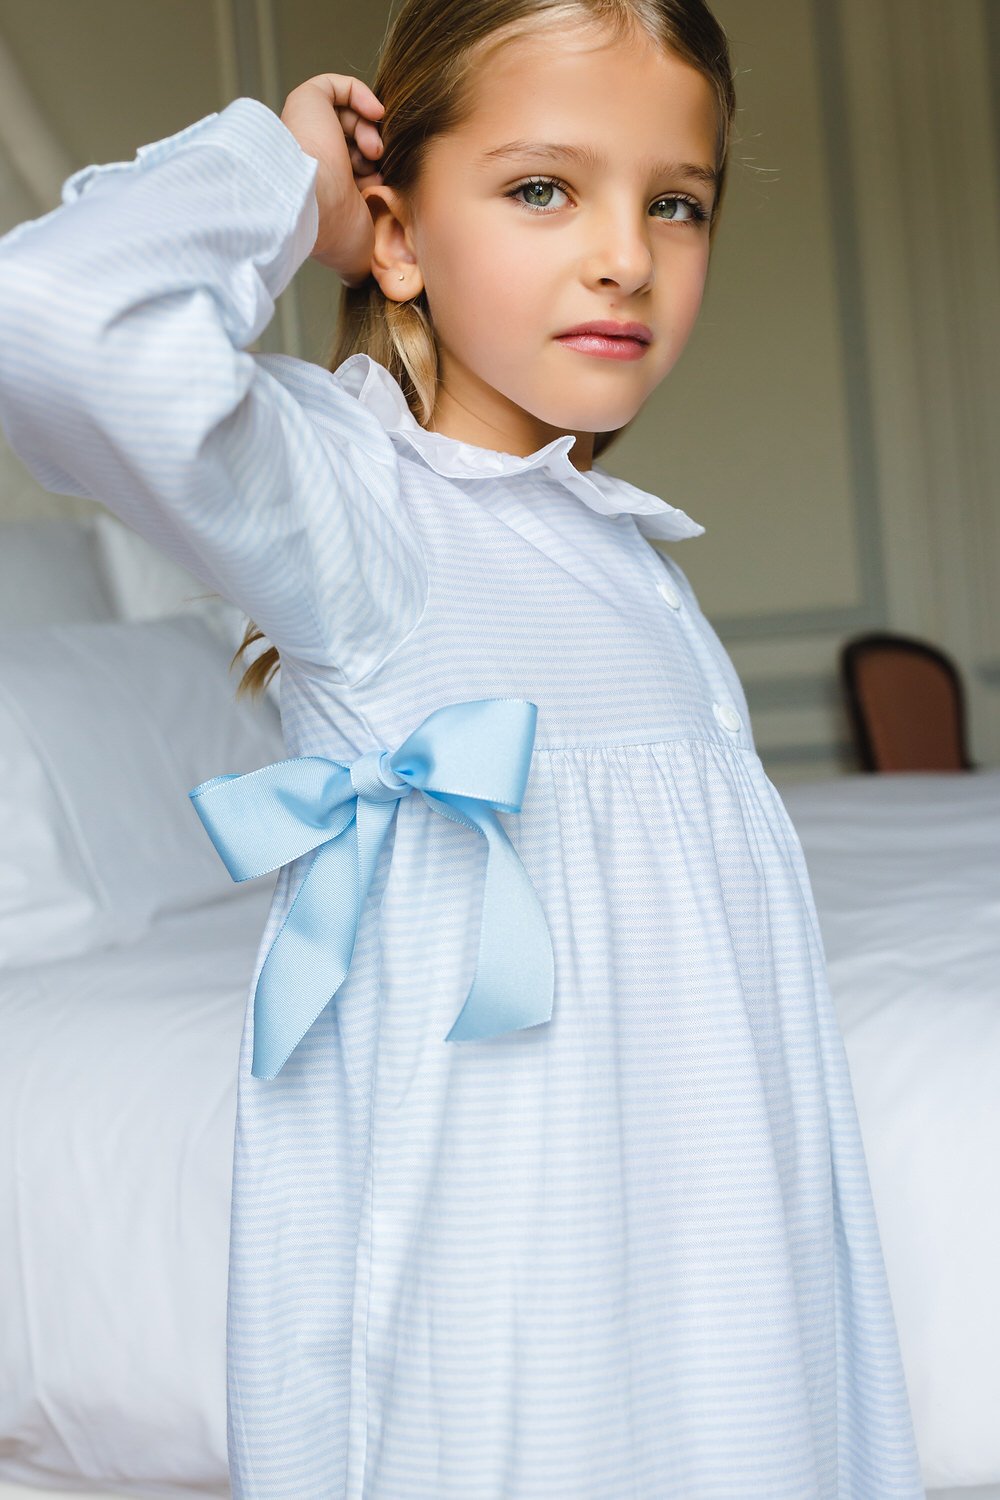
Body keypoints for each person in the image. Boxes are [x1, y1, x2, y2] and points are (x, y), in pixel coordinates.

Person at [0, 0, 927, 1495]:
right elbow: (51, 321)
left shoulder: (628, 559)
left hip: (688, 1221)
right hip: (496, 1221)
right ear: (400, 235)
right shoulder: (358, 499)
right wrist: (278, 183)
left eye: (674, 202)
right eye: (544, 188)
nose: (625, 251)